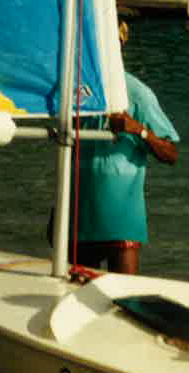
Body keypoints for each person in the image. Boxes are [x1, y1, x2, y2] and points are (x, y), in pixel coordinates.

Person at [72, 22, 179, 274]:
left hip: (121, 223)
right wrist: (59, 212)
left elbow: (171, 153)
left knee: (123, 302)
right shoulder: (77, 91)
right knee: (74, 299)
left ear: (120, 45)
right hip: (79, 221)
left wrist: (138, 129)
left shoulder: (138, 94)